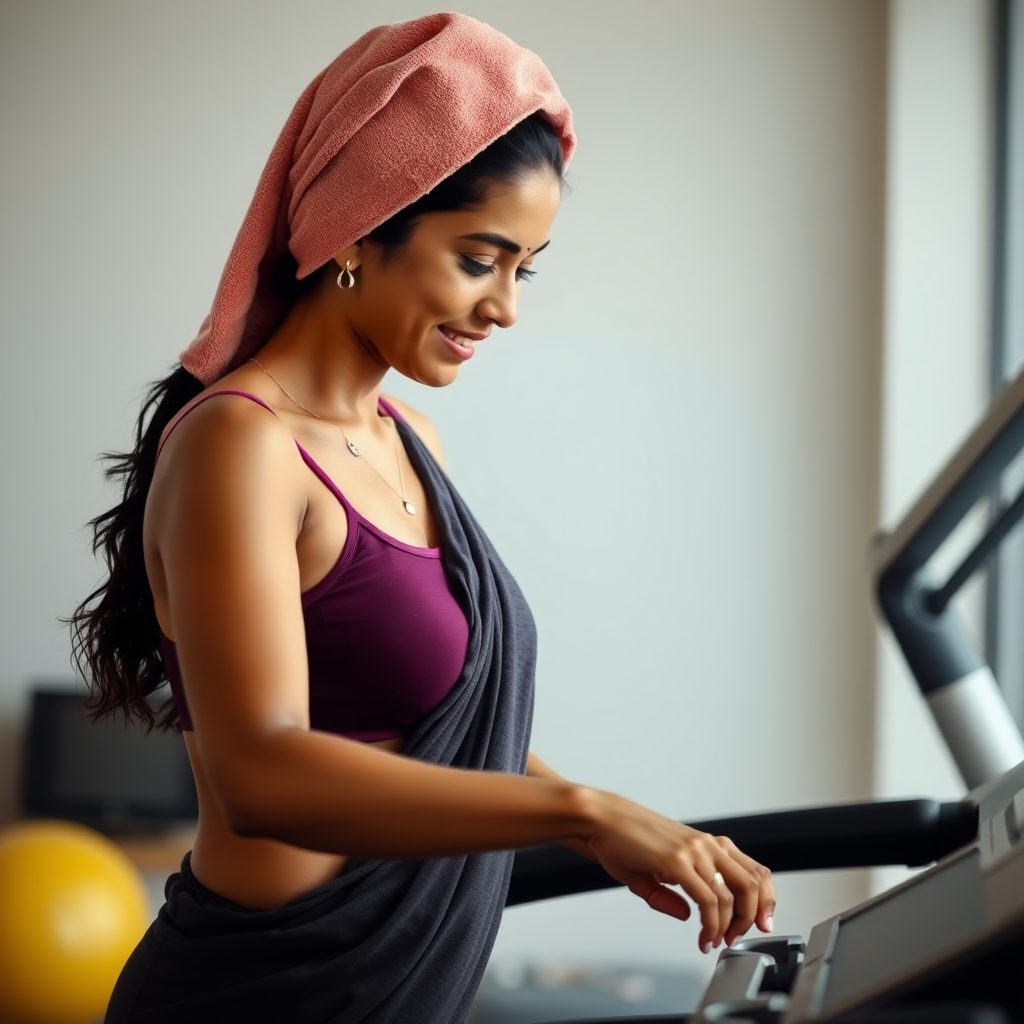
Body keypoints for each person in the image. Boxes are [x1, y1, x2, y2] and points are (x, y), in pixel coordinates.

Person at [71, 13, 775, 1024]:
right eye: (479, 259)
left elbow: (431, 733)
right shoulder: (243, 447)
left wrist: (602, 831)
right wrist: (583, 810)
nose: (505, 309)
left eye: (523, 269)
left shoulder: (414, 442)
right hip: (266, 990)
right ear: (362, 228)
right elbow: (260, 769)